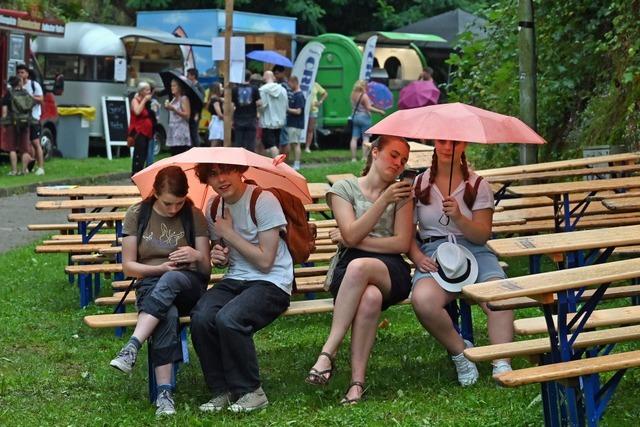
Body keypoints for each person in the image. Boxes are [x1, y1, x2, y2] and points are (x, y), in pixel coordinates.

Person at [305, 136, 413, 405]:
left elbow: (400, 242)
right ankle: (356, 384)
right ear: (375, 153)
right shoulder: (343, 188)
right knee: (370, 298)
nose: (399, 163)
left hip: (390, 269)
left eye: (403, 160)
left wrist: (353, 238)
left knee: (361, 265)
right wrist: (382, 201)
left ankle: (328, 353)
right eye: (394, 155)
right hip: (348, 271)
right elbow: (351, 237)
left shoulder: (402, 193)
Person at [408, 139, 514, 386]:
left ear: (463, 145)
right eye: (442, 142)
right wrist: (417, 256)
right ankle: (461, 354)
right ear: (435, 143)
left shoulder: (478, 185)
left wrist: (458, 216)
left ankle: (501, 360)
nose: (447, 147)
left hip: (475, 250)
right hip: (435, 251)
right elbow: (406, 231)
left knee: (501, 296)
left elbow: (482, 235)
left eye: (454, 142)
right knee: (423, 300)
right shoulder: (419, 184)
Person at [191, 162, 293, 413]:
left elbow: (266, 261)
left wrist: (230, 233)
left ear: (240, 171)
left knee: (229, 318)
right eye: (213, 174)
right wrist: (220, 255)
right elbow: (222, 253)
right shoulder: (214, 206)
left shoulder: (263, 200)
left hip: (273, 282)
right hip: (236, 278)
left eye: (226, 171)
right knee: (201, 317)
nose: (220, 179)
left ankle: (251, 391)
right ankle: (222, 390)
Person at [109, 165, 211, 416]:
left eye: (179, 203)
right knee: (169, 314)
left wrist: (196, 254)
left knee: (173, 279)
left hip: (189, 285)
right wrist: (161, 268)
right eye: (168, 204)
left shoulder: (194, 215)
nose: (174, 209)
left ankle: (132, 345)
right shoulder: (137, 214)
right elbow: (129, 267)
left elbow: (207, 269)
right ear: (154, 192)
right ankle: (164, 395)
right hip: (151, 286)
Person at [1, 76, 34, 176]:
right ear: (19, 83)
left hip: (12, 122)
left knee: (12, 148)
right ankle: (24, 170)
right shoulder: (26, 93)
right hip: (25, 122)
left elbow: (4, 111)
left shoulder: (8, 94)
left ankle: (14, 170)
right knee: (24, 148)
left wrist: (3, 122)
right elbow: (30, 107)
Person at [17, 64, 45, 175]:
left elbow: (41, 100)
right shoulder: (16, 85)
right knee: (24, 143)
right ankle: (29, 167)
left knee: (35, 142)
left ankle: (41, 167)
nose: (20, 75)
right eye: (18, 72)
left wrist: (29, 95)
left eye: (22, 72)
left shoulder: (34, 85)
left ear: (27, 74)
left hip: (33, 118)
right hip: (21, 118)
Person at [349, 80, 385, 163]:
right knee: (366, 138)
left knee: (354, 138)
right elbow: (368, 108)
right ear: (363, 86)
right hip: (364, 117)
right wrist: (379, 111)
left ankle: (353, 158)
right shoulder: (364, 95)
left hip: (355, 117)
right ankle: (364, 157)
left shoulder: (352, 94)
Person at [258, 71, 288, 158]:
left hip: (268, 121)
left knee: (270, 145)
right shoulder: (283, 90)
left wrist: (257, 108)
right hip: (279, 121)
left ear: (265, 77)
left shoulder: (263, 90)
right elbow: (286, 105)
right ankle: (273, 163)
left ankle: (277, 164)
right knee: (274, 144)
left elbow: (262, 106)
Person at [129, 81, 154, 175]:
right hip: (139, 131)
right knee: (139, 153)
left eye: (149, 90)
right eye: (147, 90)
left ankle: (141, 173)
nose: (149, 92)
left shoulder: (147, 102)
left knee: (144, 154)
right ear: (141, 91)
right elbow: (137, 111)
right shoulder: (135, 100)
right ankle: (135, 172)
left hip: (147, 131)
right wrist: (144, 100)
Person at [231, 70, 261, 152]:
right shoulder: (254, 88)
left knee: (238, 142)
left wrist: (231, 119)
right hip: (251, 118)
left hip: (238, 118)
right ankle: (250, 162)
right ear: (250, 78)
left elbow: (231, 105)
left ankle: (238, 162)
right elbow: (259, 103)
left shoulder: (235, 89)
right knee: (251, 143)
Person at [164, 78, 192, 155]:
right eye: (171, 86)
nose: (172, 88)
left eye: (174, 86)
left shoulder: (183, 99)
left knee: (180, 153)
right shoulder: (173, 99)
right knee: (173, 154)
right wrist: (168, 108)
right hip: (173, 130)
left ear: (179, 87)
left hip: (181, 130)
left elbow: (187, 115)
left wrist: (174, 109)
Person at [285, 76, 305, 170]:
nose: (289, 86)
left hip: (295, 124)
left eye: (290, 84)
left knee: (295, 144)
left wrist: (287, 109)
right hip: (292, 123)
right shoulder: (294, 94)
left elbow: (298, 111)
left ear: (295, 82)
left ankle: (297, 164)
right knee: (294, 144)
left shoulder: (299, 96)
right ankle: (295, 162)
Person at [273, 65, 292, 154]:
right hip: (279, 114)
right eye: (274, 73)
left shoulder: (284, 85)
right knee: (281, 139)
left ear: (282, 73)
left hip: (283, 114)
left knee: (284, 140)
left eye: (277, 73)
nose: (275, 75)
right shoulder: (281, 84)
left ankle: (285, 161)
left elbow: (290, 98)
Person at [305, 81, 327, 153]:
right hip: (304, 110)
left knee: (310, 129)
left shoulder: (315, 84)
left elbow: (325, 93)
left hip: (313, 109)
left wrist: (320, 102)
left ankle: (307, 147)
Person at [186, 68, 204, 147]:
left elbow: (200, 101)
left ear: (193, 76)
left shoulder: (199, 87)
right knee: (190, 133)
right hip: (189, 112)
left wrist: (197, 113)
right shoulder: (190, 86)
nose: (187, 77)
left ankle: (196, 149)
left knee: (194, 133)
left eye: (188, 75)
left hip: (195, 113)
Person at [207, 82, 224, 147]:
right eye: (221, 87)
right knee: (215, 143)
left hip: (216, 122)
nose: (222, 89)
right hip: (217, 123)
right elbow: (219, 114)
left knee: (218, 144)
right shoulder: (215, 99)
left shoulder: (215, 98)